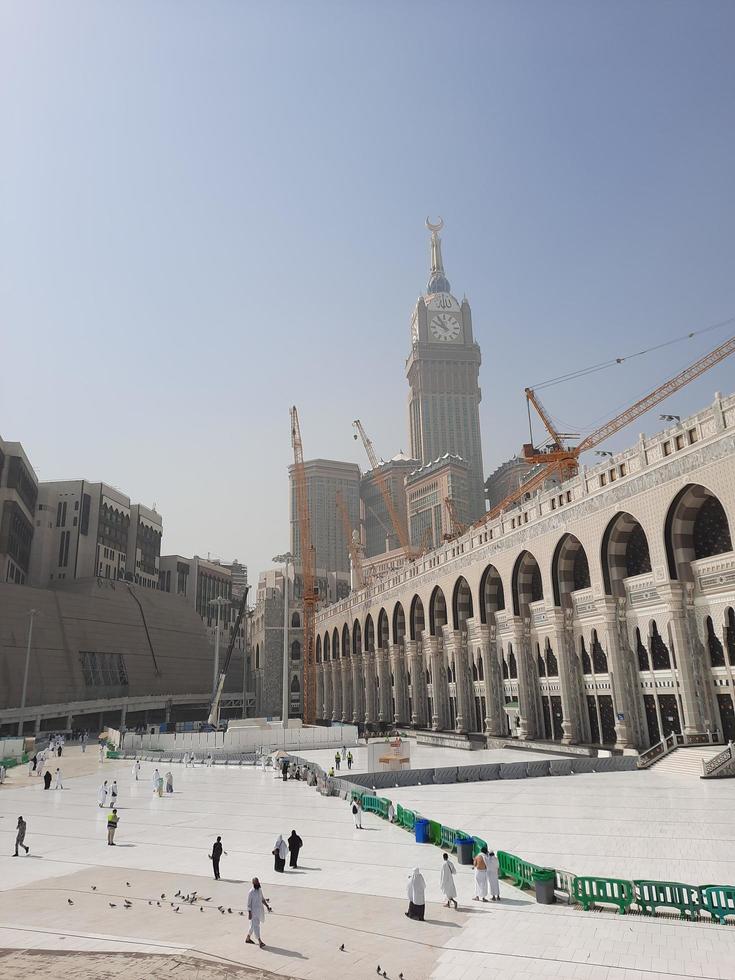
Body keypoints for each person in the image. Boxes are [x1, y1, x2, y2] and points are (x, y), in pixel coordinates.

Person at [246, 877, 271, 948]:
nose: (258, 883)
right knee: (256, 926)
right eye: (256, 882)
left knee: (252, 926)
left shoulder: (259, 890)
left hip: (259, 911)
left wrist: (267, 906)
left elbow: (262, 899)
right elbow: (248, 904)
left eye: (258, 882)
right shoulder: (251, 892)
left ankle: (248, 938)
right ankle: (260, 941)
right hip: (253, 913)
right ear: (253, 883)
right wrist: (249, 913)